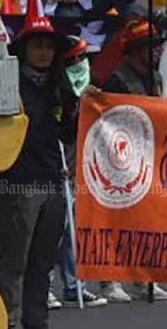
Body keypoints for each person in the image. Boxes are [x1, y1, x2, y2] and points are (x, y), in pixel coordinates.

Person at [0, 5, 92, 329]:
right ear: (23, 50)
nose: (45, 52)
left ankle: (37, 322)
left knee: (43, 263)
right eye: (38, 45)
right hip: (17, 185)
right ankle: (5, 321)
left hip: (52, 184)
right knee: (15, 262)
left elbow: (65, 134)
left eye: (49, 46)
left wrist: (79, 106)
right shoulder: (8, 87)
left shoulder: (59, 88)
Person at [96, 18, 167, 304]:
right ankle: (110, 280)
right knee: (115, 221)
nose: (157, 52)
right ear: (137, 50)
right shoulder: (118, 79)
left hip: (147, 157)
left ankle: (143, 279)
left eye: (158, 47)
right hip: (118, 160)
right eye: (151, 47)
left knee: (145, 221)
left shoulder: (156, 79)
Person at [50, 37, 107, 309]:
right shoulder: (56, 92)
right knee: (55, 230)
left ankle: (75, 286)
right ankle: (46, 285)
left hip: (79, 168)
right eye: (73, 59)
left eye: (82, 57)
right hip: (56, 167)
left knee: (74, 229)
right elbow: (59, 131)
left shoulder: (91, 89)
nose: (79, 64)